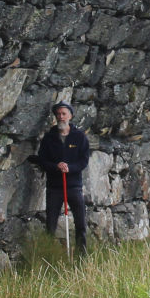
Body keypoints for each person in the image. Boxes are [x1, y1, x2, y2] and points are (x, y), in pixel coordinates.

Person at [35, 101, 90, 254]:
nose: (61, 117)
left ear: (70, 116)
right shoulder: (49, 138)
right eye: (58, 114)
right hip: (54, 187)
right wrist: (56, 166)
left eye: (63, 113)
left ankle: (82, 256)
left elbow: (84, 160)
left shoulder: (79, 137)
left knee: (80, 223)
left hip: (74, 186)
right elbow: (43, 160)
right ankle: (49, 255)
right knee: (50, 224)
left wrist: (70, 168)